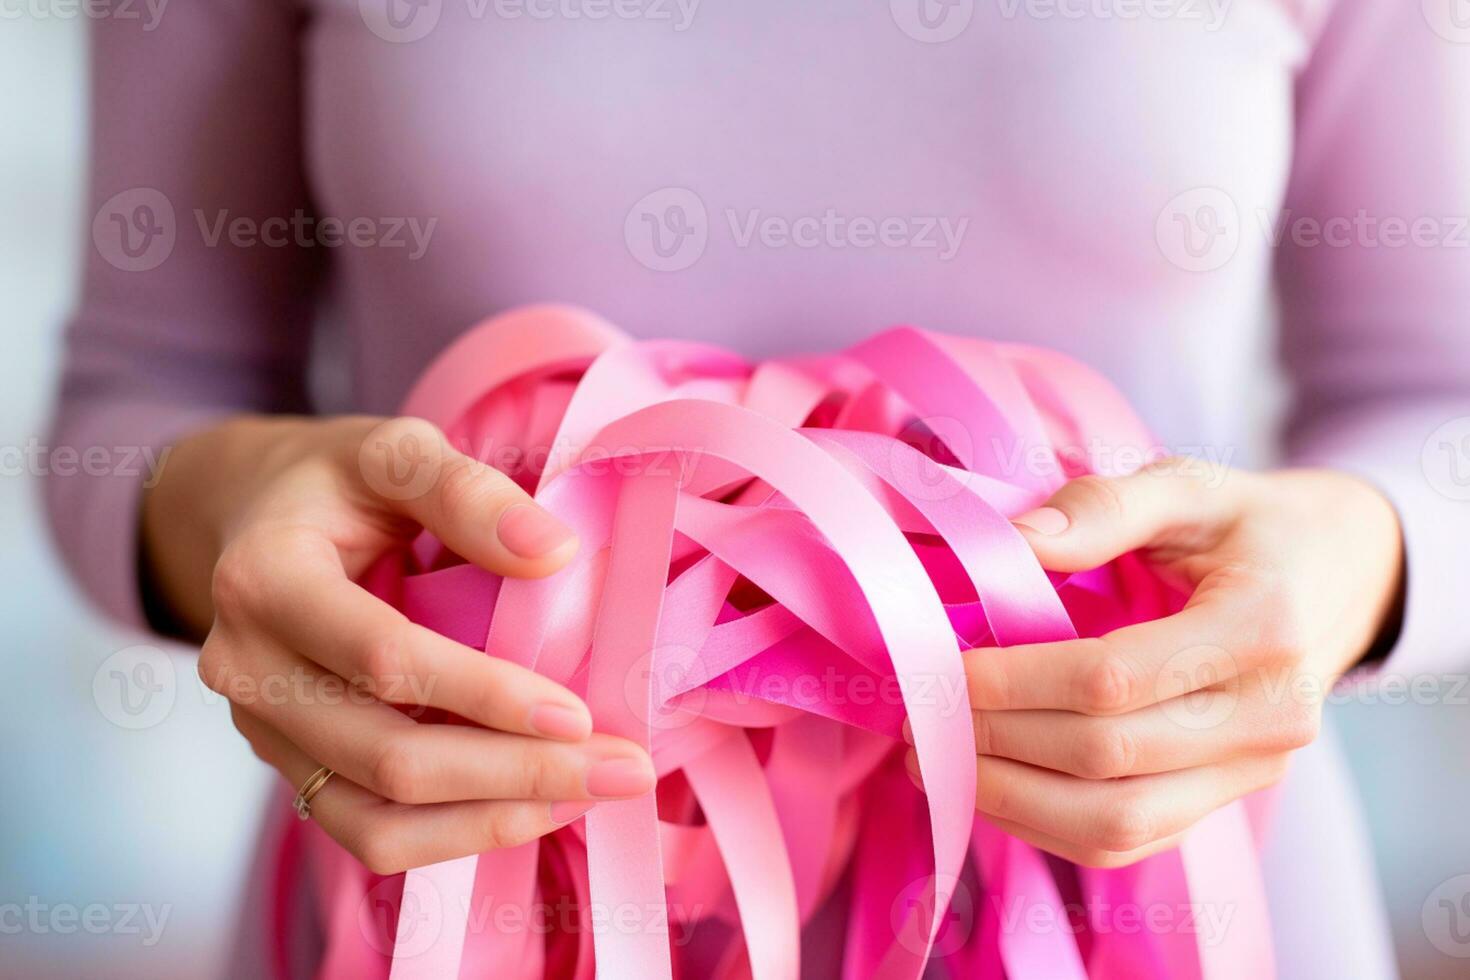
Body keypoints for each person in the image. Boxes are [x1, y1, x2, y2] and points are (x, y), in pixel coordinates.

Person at [46, 2, 1470, 976]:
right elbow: (138, 389)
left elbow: (1435, 393)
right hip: (463, 886)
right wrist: (226, 508)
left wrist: (1360, 558)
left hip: (1152, 907)